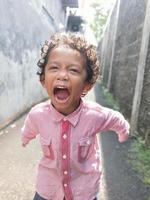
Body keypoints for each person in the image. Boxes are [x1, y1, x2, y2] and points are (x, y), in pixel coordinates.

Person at [21, 32, 130, 200]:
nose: (63, 75)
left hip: (84, 190)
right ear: (43, 80)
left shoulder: (95, 116)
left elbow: (115, 119)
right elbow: (29, 126)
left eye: (73, 70)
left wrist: (123, 132)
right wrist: (25, 137)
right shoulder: (37, 114)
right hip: (48, 188)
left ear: (86, 86)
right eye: (54, 68)